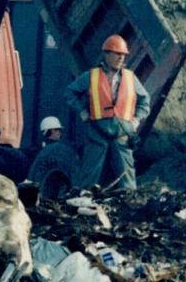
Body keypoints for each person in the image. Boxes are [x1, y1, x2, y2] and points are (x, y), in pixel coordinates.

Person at [64, 34, 150, 192]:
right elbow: (70, 93)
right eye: (117, 54)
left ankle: (129, 204)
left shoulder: (131, 78)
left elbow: (145, 100)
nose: (121, 58)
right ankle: (84, 201)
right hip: (97, 132)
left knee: (127, 177)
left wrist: (136, 120)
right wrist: (82, 112)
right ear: (106, 54)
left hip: (122, 134)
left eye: (123, 55)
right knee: (89, 175)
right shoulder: (91, 76)